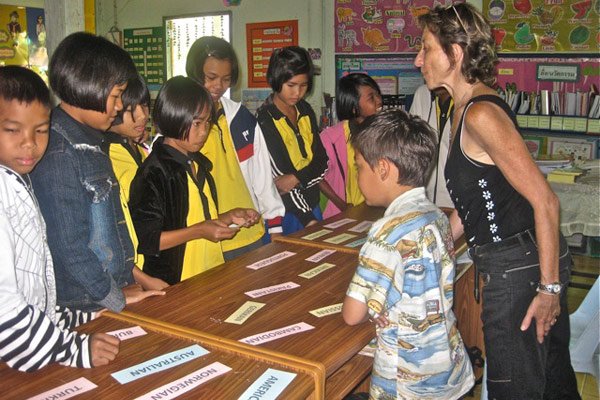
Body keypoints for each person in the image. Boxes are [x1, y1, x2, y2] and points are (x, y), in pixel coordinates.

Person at [415, 4, 579, 399]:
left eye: (425, 48)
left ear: (455, 54)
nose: (418, 59)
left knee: (516, 388)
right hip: (522, 264)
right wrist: (431, 251)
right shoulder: (461, 108)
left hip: (521, 272)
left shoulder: (480, 114)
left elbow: (546, 202)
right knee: (553, 383)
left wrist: (548, 291)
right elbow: (477, 205)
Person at [342, 109, 474, 399]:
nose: (358, 175)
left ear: (383, 169)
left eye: (359, 167)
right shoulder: (437, 216)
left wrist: (372, 309)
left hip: (407, 381)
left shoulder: (386, 233)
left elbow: (353, 314)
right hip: (448, 365)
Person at [31, 32, 165, 313]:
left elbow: (110, 238)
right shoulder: (60, 150)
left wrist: (138, 278)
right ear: (88, 86)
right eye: (116, 96)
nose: (119, 108)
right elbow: (68, 247)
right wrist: (115, 297)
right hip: (84, 304)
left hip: (109, 291)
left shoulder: (91, 141)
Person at [0, 66, 119, 371]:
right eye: (12, 130)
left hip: (33, 343)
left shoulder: (16, 181)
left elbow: (33, 281)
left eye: (41, 130)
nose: (30, 143)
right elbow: (4, 310)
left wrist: (77, 319)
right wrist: (72, 348)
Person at [129, 76, 259, 285]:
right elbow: (147, 240)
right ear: (174, 117)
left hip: (210, 272)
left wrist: (229, 217)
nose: (204, 132)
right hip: (176, 283)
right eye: (197, 123)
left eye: (207, 122)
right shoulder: (154, 173)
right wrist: (199, 230)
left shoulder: (199, 164)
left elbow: (198, 219)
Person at [185, 36, 284, 259]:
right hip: (206, 242)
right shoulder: (180, 120)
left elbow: (262, 176)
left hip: (251, 235)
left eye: (226, 79)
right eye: (211, 78)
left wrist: (275, 226)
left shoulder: (241, 118)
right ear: (194, 72)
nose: (218, 86)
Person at [105, 74, 168, 290]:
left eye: (143, 104)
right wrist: (143, 279)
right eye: (130, 109)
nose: (142, 116)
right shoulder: (107, 157)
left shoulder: (138, 149)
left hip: (149, 263)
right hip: (130, 276)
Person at [256, 46, 328, 234]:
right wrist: (308, 219)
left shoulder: (305, 110)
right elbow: (281, 184)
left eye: (303, 86)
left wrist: (296, 177)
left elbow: (321, 162)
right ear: (276, 80)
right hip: (285, 214)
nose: (297, 93)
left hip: (312, 206)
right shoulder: (264, 120)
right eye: (291, 85)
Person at [319, 73, 382, 218]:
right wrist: (342, 205)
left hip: (375, 214)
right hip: (341, 215)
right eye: (371, 97)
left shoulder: (382, 133)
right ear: (354, 108)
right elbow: (317, 177)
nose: (379, 101)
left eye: (378, 94)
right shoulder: (331, 138)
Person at [409, 84, 454, 208]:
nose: (420, 65)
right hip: (424, 203)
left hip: (457, 205)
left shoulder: (470, 99)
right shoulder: (422, 94)